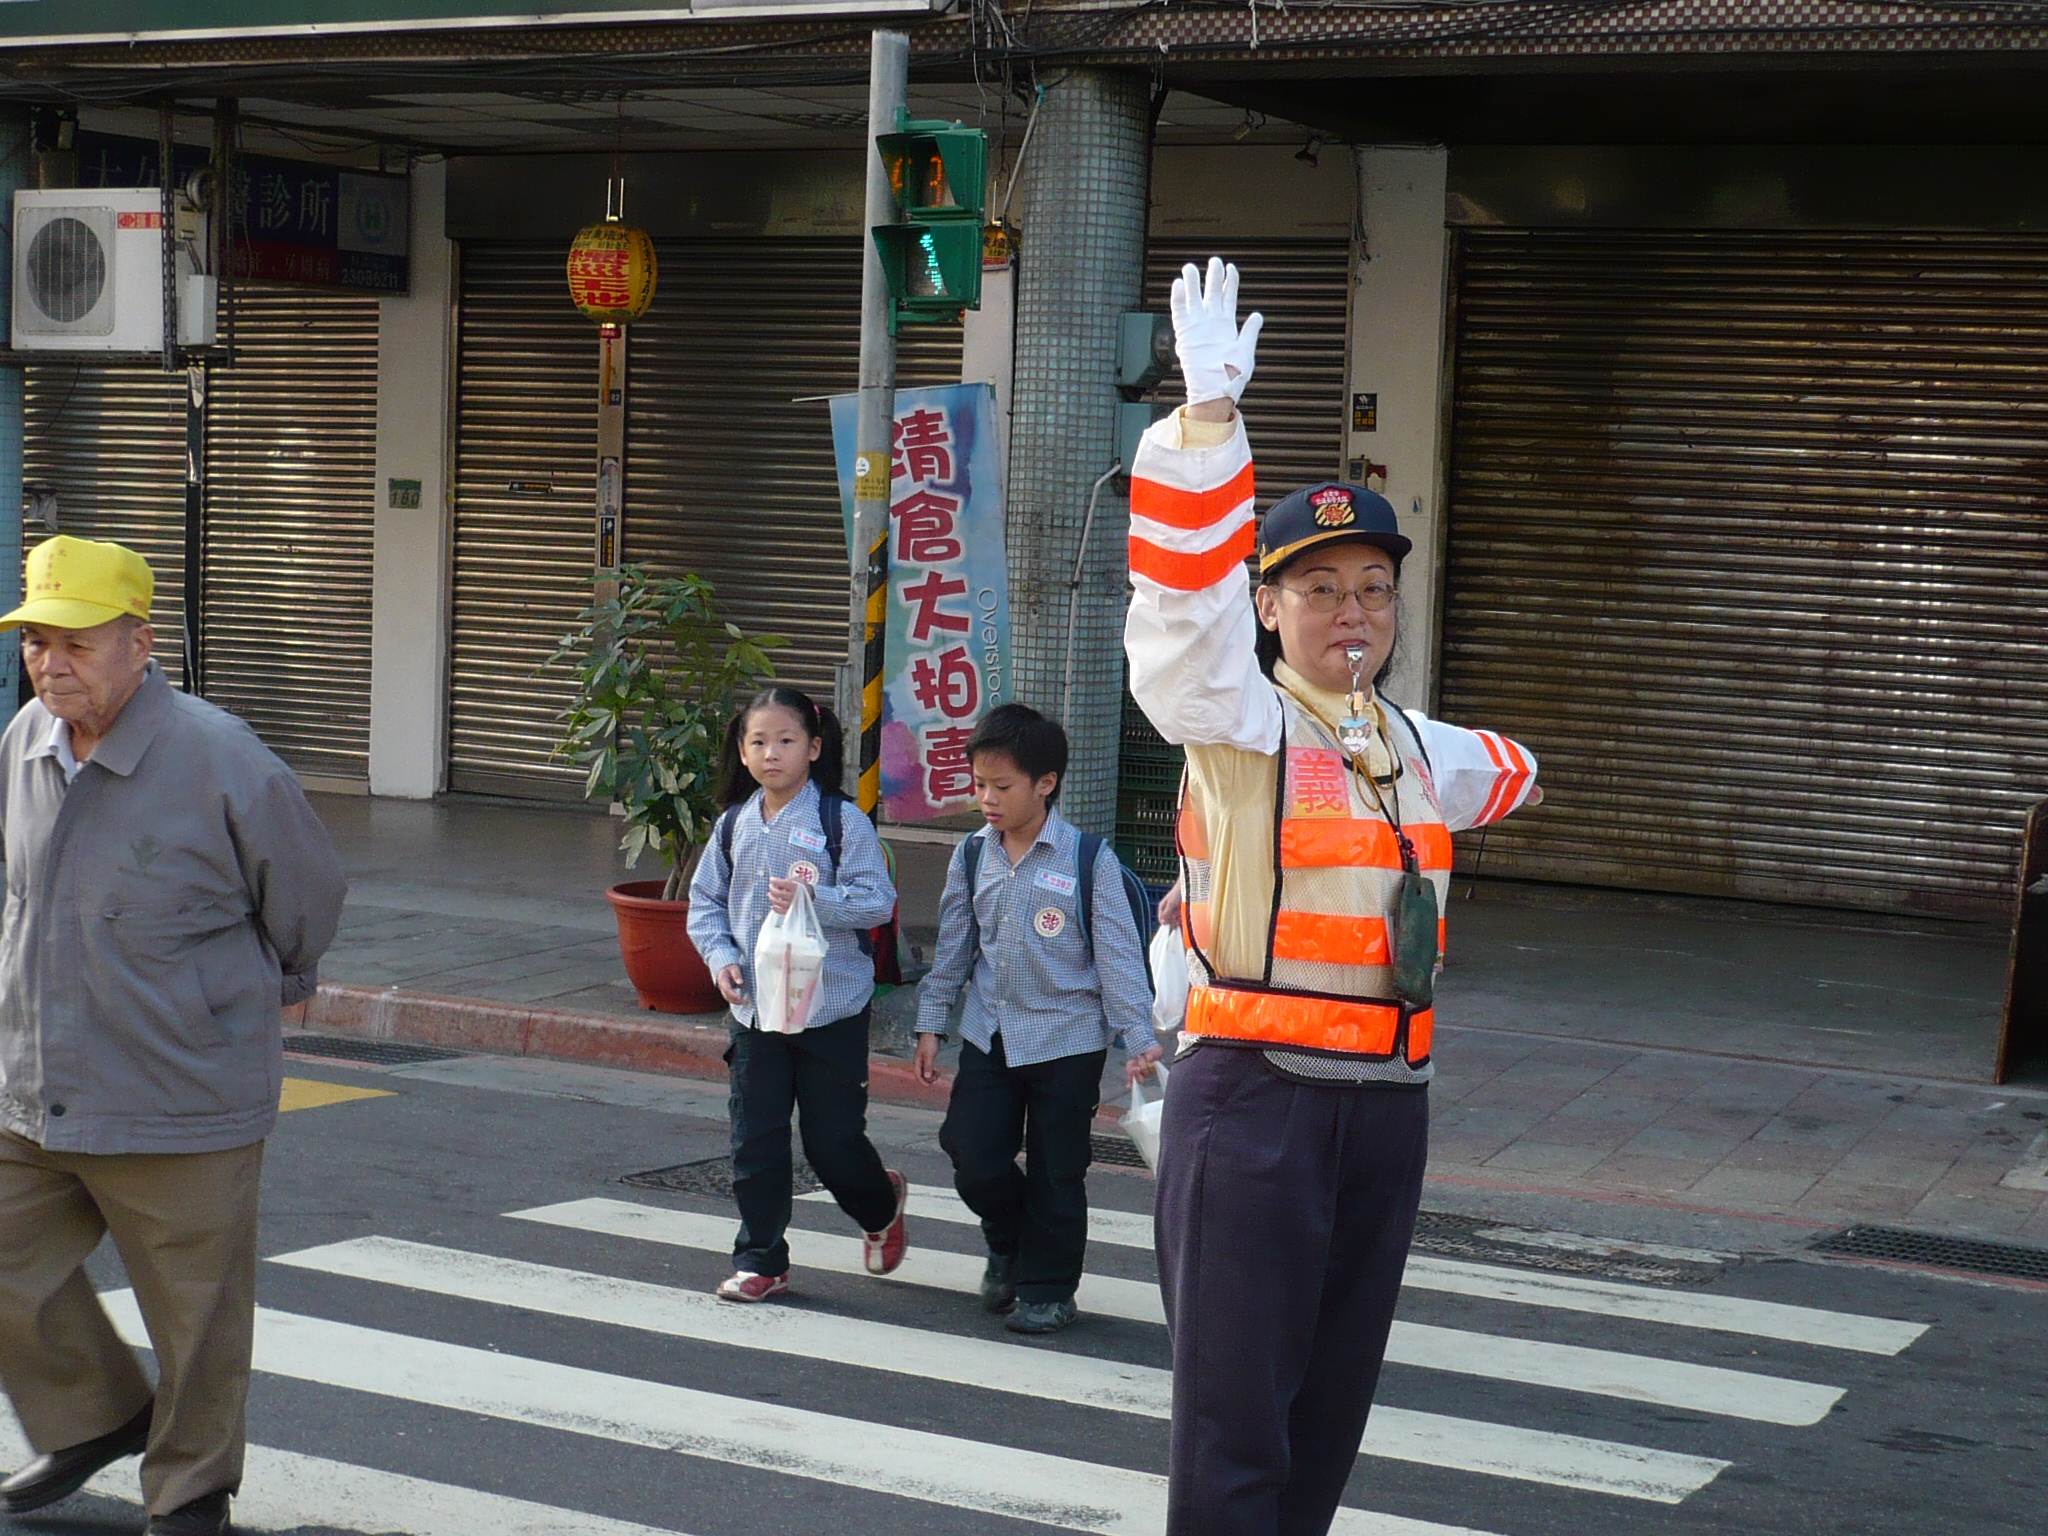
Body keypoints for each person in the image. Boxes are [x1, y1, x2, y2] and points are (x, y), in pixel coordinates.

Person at [1125, 260, 1542, 1536]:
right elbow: (1176, 625)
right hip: (1252, 1102)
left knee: (1326, 1424)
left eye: (1372, 587)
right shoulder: (1236, 720)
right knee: (1236, 1428)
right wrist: (1206, 426)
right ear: (1268, 607)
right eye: (1317, 589)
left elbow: (1508, 773)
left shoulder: (1410, 744)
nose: (1351, 612)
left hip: (1386, 1112)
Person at [0, 535, 347, 1536]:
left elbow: (306, 896)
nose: (52, 662)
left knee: (196, 1314)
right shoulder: (23, 741)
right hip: (35, 1078)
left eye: (77, 641)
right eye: (36, 642)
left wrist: (232, 995)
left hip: (179, 1086)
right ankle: (96, 1414)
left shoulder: (219, 755)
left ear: (140, 644)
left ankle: (192, 1492)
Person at [912, 705, 1161, 1335]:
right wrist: (931, 1021)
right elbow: (956, 948)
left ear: (1044, 783)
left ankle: (1047, 1289)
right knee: (971, 1154)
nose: (986, 799)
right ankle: (1008, 1239)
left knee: (1058, 1169)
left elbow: (1118, 958)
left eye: (1002, 786)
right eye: (979, 785)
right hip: (991, 1034)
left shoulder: (1088, 861)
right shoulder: (972, 857)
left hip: (1068, 1040)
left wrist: (1138, 1039)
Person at [686, 686, 908, 1302]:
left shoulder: (842, 822)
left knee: (831, 1142)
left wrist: (817, 901)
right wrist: (721, 959)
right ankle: (762, 1258)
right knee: (754, 1136)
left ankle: (880, 1202)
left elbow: (878, 902)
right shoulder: (733, 825)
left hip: (830, 1008)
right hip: (755, 1010)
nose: (770, 753)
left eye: (785, 741)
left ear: (813, 748)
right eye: (758, 742)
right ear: (742, 750)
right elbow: (705, 905)